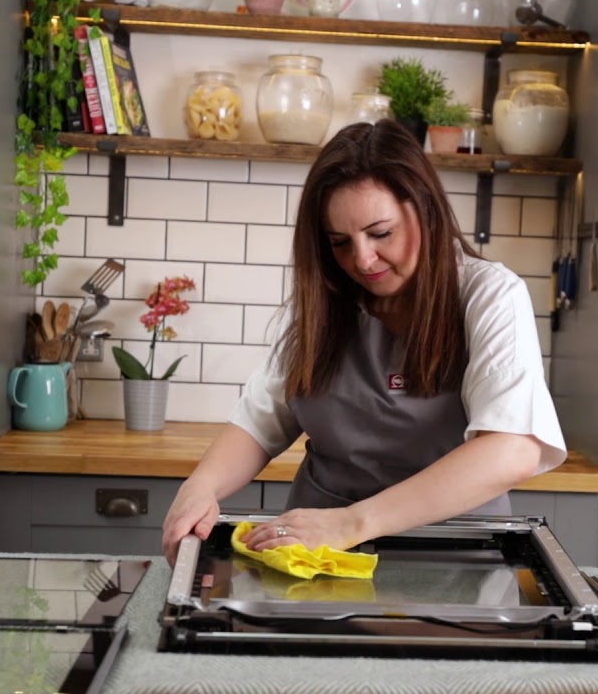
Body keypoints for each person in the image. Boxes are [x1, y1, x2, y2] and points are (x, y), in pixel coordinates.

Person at [161, 119, 566, 563]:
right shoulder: (330, 299)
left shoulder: (490, 295)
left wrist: (352, 523)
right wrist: (198, 487)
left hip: (455, 557)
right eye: (339, 242)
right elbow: (262, 422)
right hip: (314, 561)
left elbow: (512, 450)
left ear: (426, 210)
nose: (362, 259)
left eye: (381, 233)